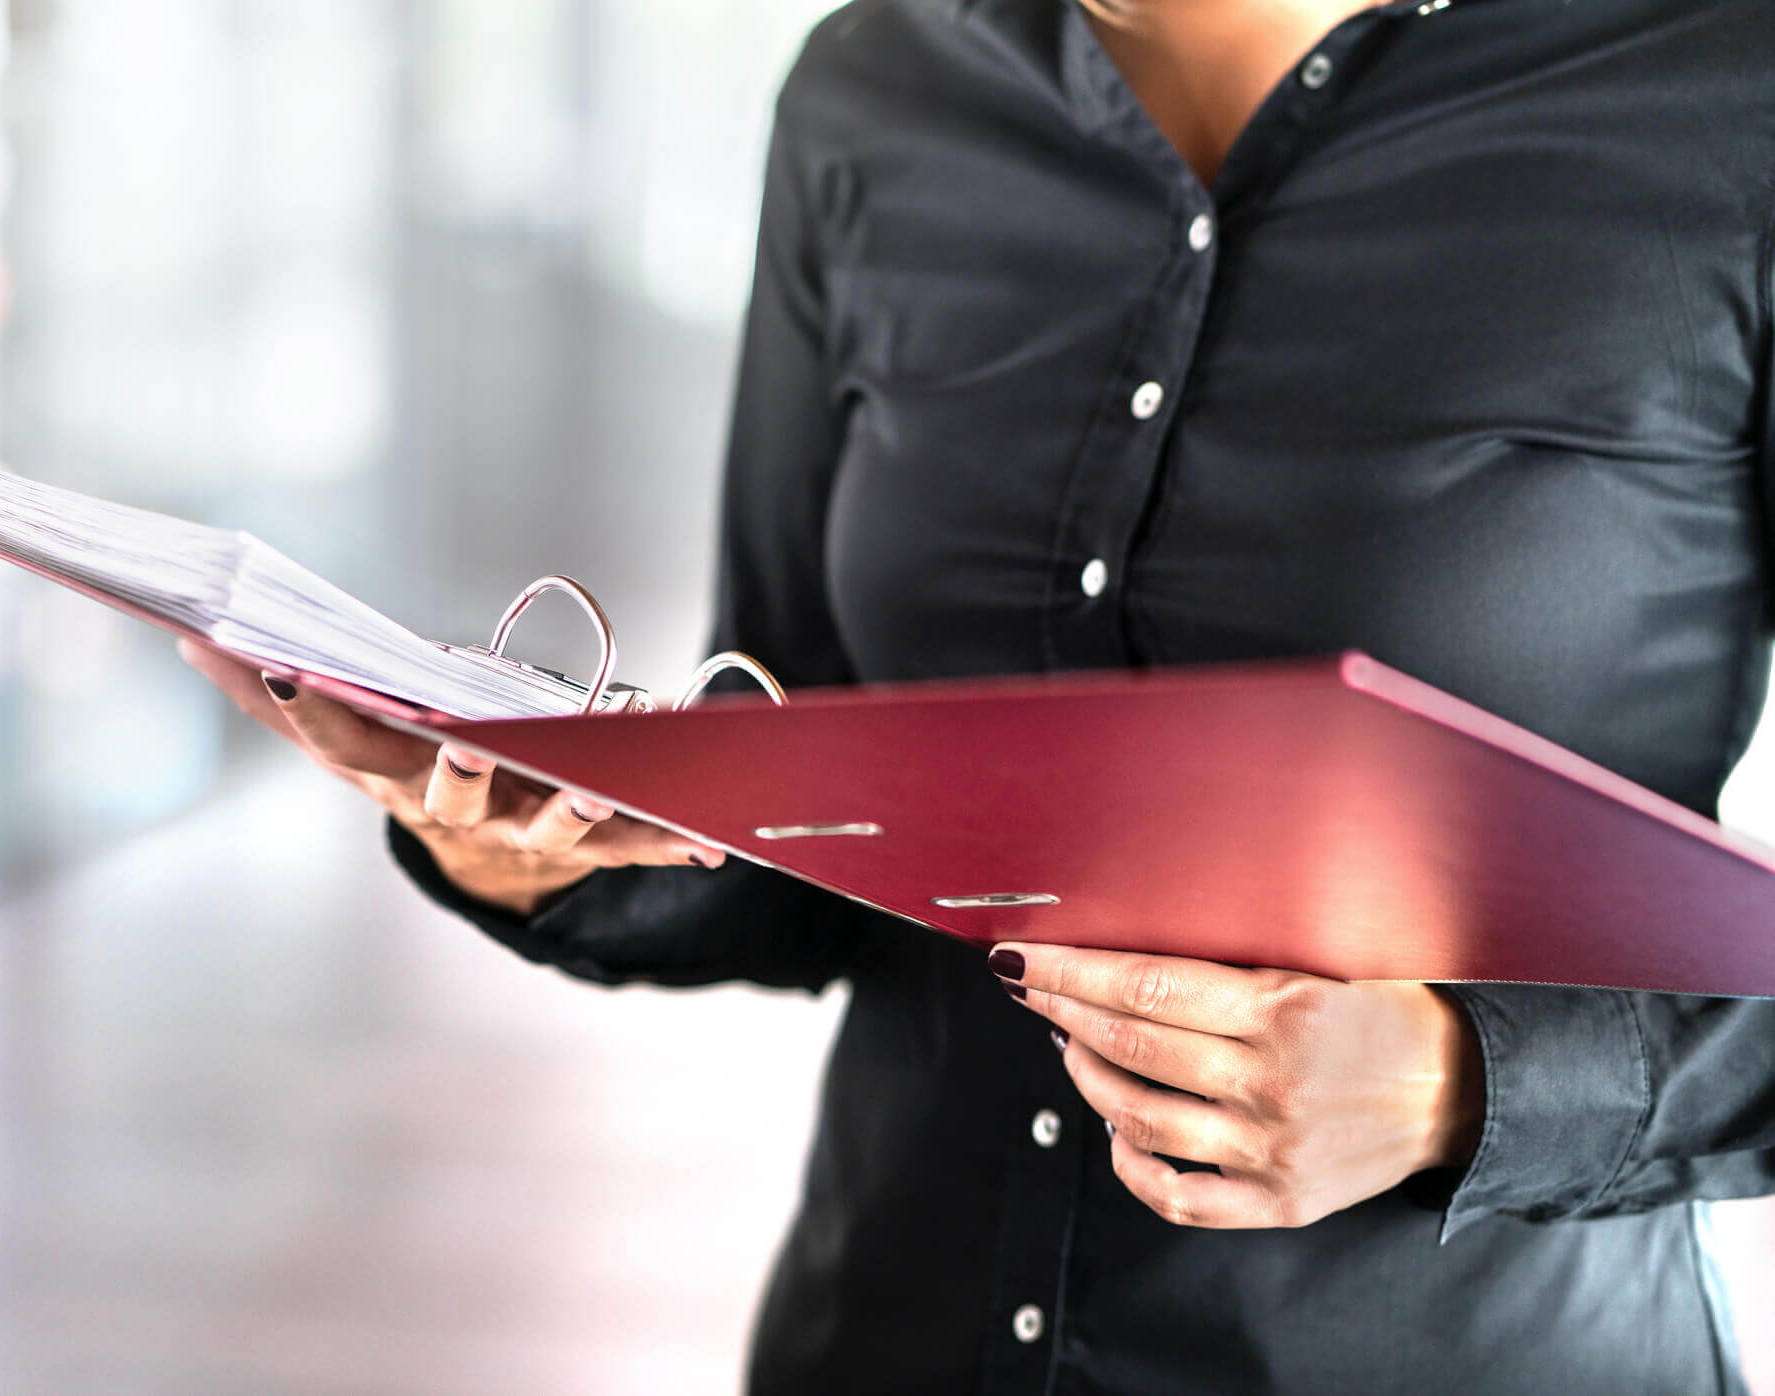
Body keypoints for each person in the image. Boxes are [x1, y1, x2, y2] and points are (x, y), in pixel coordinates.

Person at [182, 0, 1775, 1388]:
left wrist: (1462, 1088)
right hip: (887, 1334)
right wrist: (530, 850)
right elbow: (800, 821)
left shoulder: (1721, 104)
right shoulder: (872, 91)